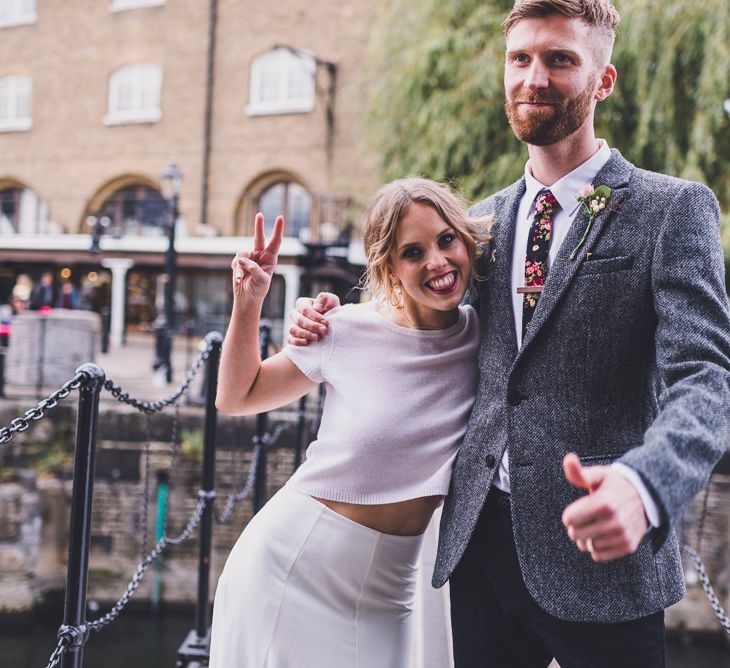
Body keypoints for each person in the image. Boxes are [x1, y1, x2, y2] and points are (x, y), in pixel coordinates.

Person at [289, 1, 730, 665]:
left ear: (602, 81)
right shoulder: (481, 225)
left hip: (604, 554)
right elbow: (421, 326)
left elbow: (705, 377)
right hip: (481, 547)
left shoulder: (672, 209)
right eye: (520, 58)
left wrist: (644, 487)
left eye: (560, 59)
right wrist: (325, 321)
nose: (534, 77)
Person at [209, 178, 491, 667]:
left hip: (390, 590)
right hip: (292, 566)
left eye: (446, 240)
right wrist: (249, 300)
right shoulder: (345, 328)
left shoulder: (487, 339)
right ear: (388, 266)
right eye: (412, 252)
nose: (437, 262)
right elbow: (238, 396)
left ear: (466, 239)